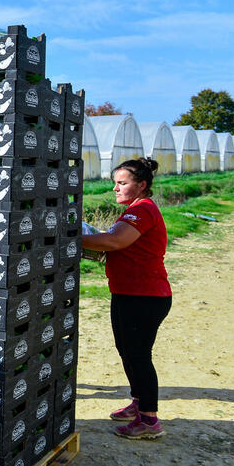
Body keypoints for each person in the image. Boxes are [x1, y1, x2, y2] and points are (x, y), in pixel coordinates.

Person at [82, 158, 172, 439]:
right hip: (127, 293)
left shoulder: (143, 209)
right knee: (127, 351)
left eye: (122, 183)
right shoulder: (135, 209)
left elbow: (114, 241)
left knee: (139, 355)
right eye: (115, 183)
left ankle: (149, 420)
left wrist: (66, 235)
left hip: (144, 296)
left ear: (141, 185)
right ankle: (139, 402)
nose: (115, 188)